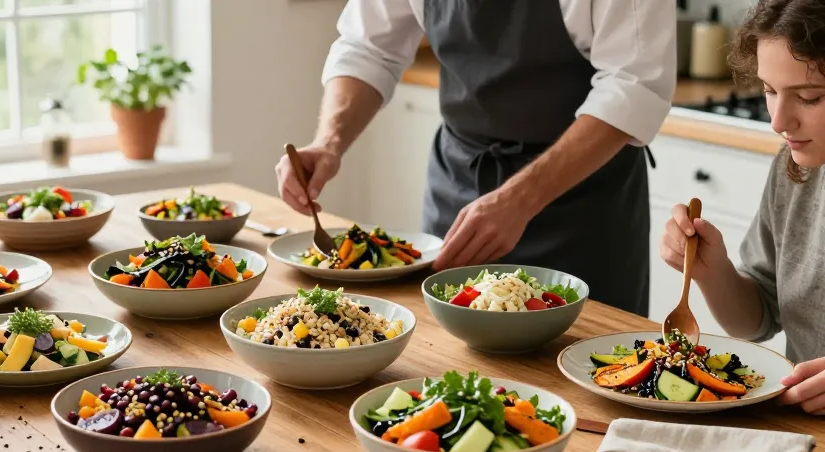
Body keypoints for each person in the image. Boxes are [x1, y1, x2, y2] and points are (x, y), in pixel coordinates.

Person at [274, 1, 677, 316]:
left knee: (584, 365)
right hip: (459, 184)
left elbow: (633, 84)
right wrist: (329, 142)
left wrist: (520, 198)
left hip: (582, 205)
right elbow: (368, 47)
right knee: (445, 356)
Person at [659, 0, 825, 414]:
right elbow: (758, 320)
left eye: (809, 97)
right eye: (770, 91)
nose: (778, 122)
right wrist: (711, 271)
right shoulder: (795, 171)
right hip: (798, 425)